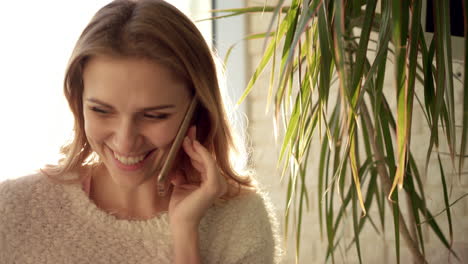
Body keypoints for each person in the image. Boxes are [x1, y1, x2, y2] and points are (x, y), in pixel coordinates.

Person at [0, 0, 283, 263]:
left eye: (154, 115)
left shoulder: (240, 222)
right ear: (78, 102)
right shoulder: (12, 210)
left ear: (197, 110)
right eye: (101, 110)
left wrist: (186, 234)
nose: (125, 141)